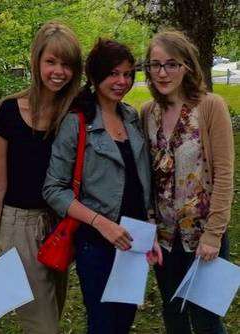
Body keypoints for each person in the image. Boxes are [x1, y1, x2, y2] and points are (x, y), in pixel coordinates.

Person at [43, 38, 162, 334]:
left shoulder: (130, 116)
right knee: (103, 324)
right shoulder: (77, 121)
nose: (121, 81)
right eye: (113, 73)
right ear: (95, 76)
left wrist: (149, 230)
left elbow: (139, 179)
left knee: (124, 321)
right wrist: (102, 224)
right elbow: (54, 189)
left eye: (127, 74)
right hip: (97, 244)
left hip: (134, 240)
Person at [0, 21, 82, 334]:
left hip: (60, 224)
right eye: (51, 61)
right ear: (36, 61)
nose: (59, 71)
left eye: (67, 64)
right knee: (41, 326)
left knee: (54, 311)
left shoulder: (75, 112)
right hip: (19, 226)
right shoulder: (6, 113)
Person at [141, 30, 234, 334]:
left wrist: (213, 234)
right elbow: (148, 178)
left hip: (203, 238)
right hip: (165, 240)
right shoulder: (148, 113)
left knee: (207, 320)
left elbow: (224, 174)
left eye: (172, 64)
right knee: (174, 316)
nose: (163, 72)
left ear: (187, 67)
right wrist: (149, 227)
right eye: (155, 65)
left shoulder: (210, 106)